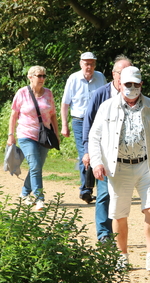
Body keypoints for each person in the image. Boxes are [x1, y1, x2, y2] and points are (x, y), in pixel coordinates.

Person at [88, 66, 150, 273]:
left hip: (146, 165)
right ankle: (122, 256)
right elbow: (94, 137)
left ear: (141, 85)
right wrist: (97, 162)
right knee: (119, 213)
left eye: (136, 84)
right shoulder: (107, 107)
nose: (132, 88)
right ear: (119, 84)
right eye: (127, 84)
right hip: (119, 167)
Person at [82, 55, 132, 243]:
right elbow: (88, 124)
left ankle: (118, 233)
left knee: (119, 195)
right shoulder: (100, 95)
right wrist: (87, 151)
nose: (125, 78)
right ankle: (104, 233)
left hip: (128, 155)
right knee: (104, 193)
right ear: (113, 74)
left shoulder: (135, 95)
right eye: (121, 73)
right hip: (103, 153)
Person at [7, 66, 60, 211]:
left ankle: (24, 193)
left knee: (37, 166)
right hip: (26, 134)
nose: (42, 79)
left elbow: (53, 115)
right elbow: (13, 115)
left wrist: (56, 133)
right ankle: (39, 199)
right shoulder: (22, 93)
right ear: (30, 77)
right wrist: (10, 135)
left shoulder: (48, 93)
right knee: (35, 165)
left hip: (44, 135)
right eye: (39, 76)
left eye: (44, 76)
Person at [60, 52, 107, 204]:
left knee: (100, 152)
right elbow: (65, 103)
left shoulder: (100, 77)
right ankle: (86, 189)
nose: (89, 67)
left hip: (98, 120)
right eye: (86, 63)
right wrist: (64, 125)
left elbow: (108, 98)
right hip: (79, 121)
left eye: (92, 64)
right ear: (81, 64)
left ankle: (100, 188)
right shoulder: (73, 79)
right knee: (85, 154)